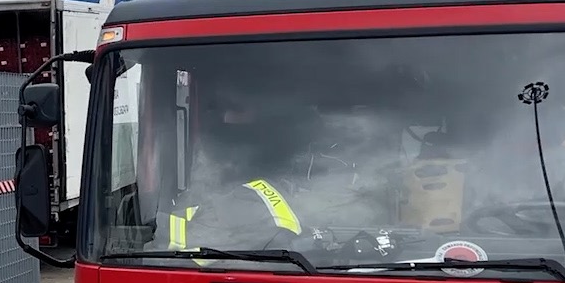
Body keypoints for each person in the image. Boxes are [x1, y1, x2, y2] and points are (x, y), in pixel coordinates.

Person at [160, 76, 400, 252]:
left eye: (236, 109)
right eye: (221, 111)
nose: (225, 119)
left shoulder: (331, 171)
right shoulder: (208, 175)